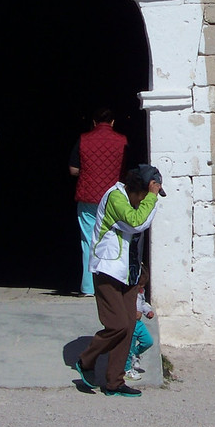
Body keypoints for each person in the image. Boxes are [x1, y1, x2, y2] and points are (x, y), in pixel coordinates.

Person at [73, 165, 164, 397]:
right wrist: (152, 199)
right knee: (117, 325)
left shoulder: (138, 201)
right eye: (146, 195)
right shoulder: (115, 197)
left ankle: (114, 382)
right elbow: (136, 222)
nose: (147, 200)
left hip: (129, 273)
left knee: (129, 327)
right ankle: (86, 361)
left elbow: (140, 224)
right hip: (108, 270)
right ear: (136, 191)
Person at [68, 108, 128, 296]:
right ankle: (113, 284)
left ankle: (88, 287)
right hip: (113, 197)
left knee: (88, 240)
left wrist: (87, 171)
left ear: (94, 122)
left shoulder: (83, 139)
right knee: (114, 239)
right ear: (112, 122)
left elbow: (72, 170)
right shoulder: (122, 141)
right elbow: (125, 170)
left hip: (88, 197)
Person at [125, 276, 155, 381]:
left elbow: (142, 304)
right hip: (131, 323)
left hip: (139, 323)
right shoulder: (128, 292)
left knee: (148, 341)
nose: (141, 287)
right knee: (129, 347)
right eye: (140, 284)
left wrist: (147, 311)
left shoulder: (140, 292)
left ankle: (135, 353)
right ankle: (127, 369)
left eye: (143, 285)